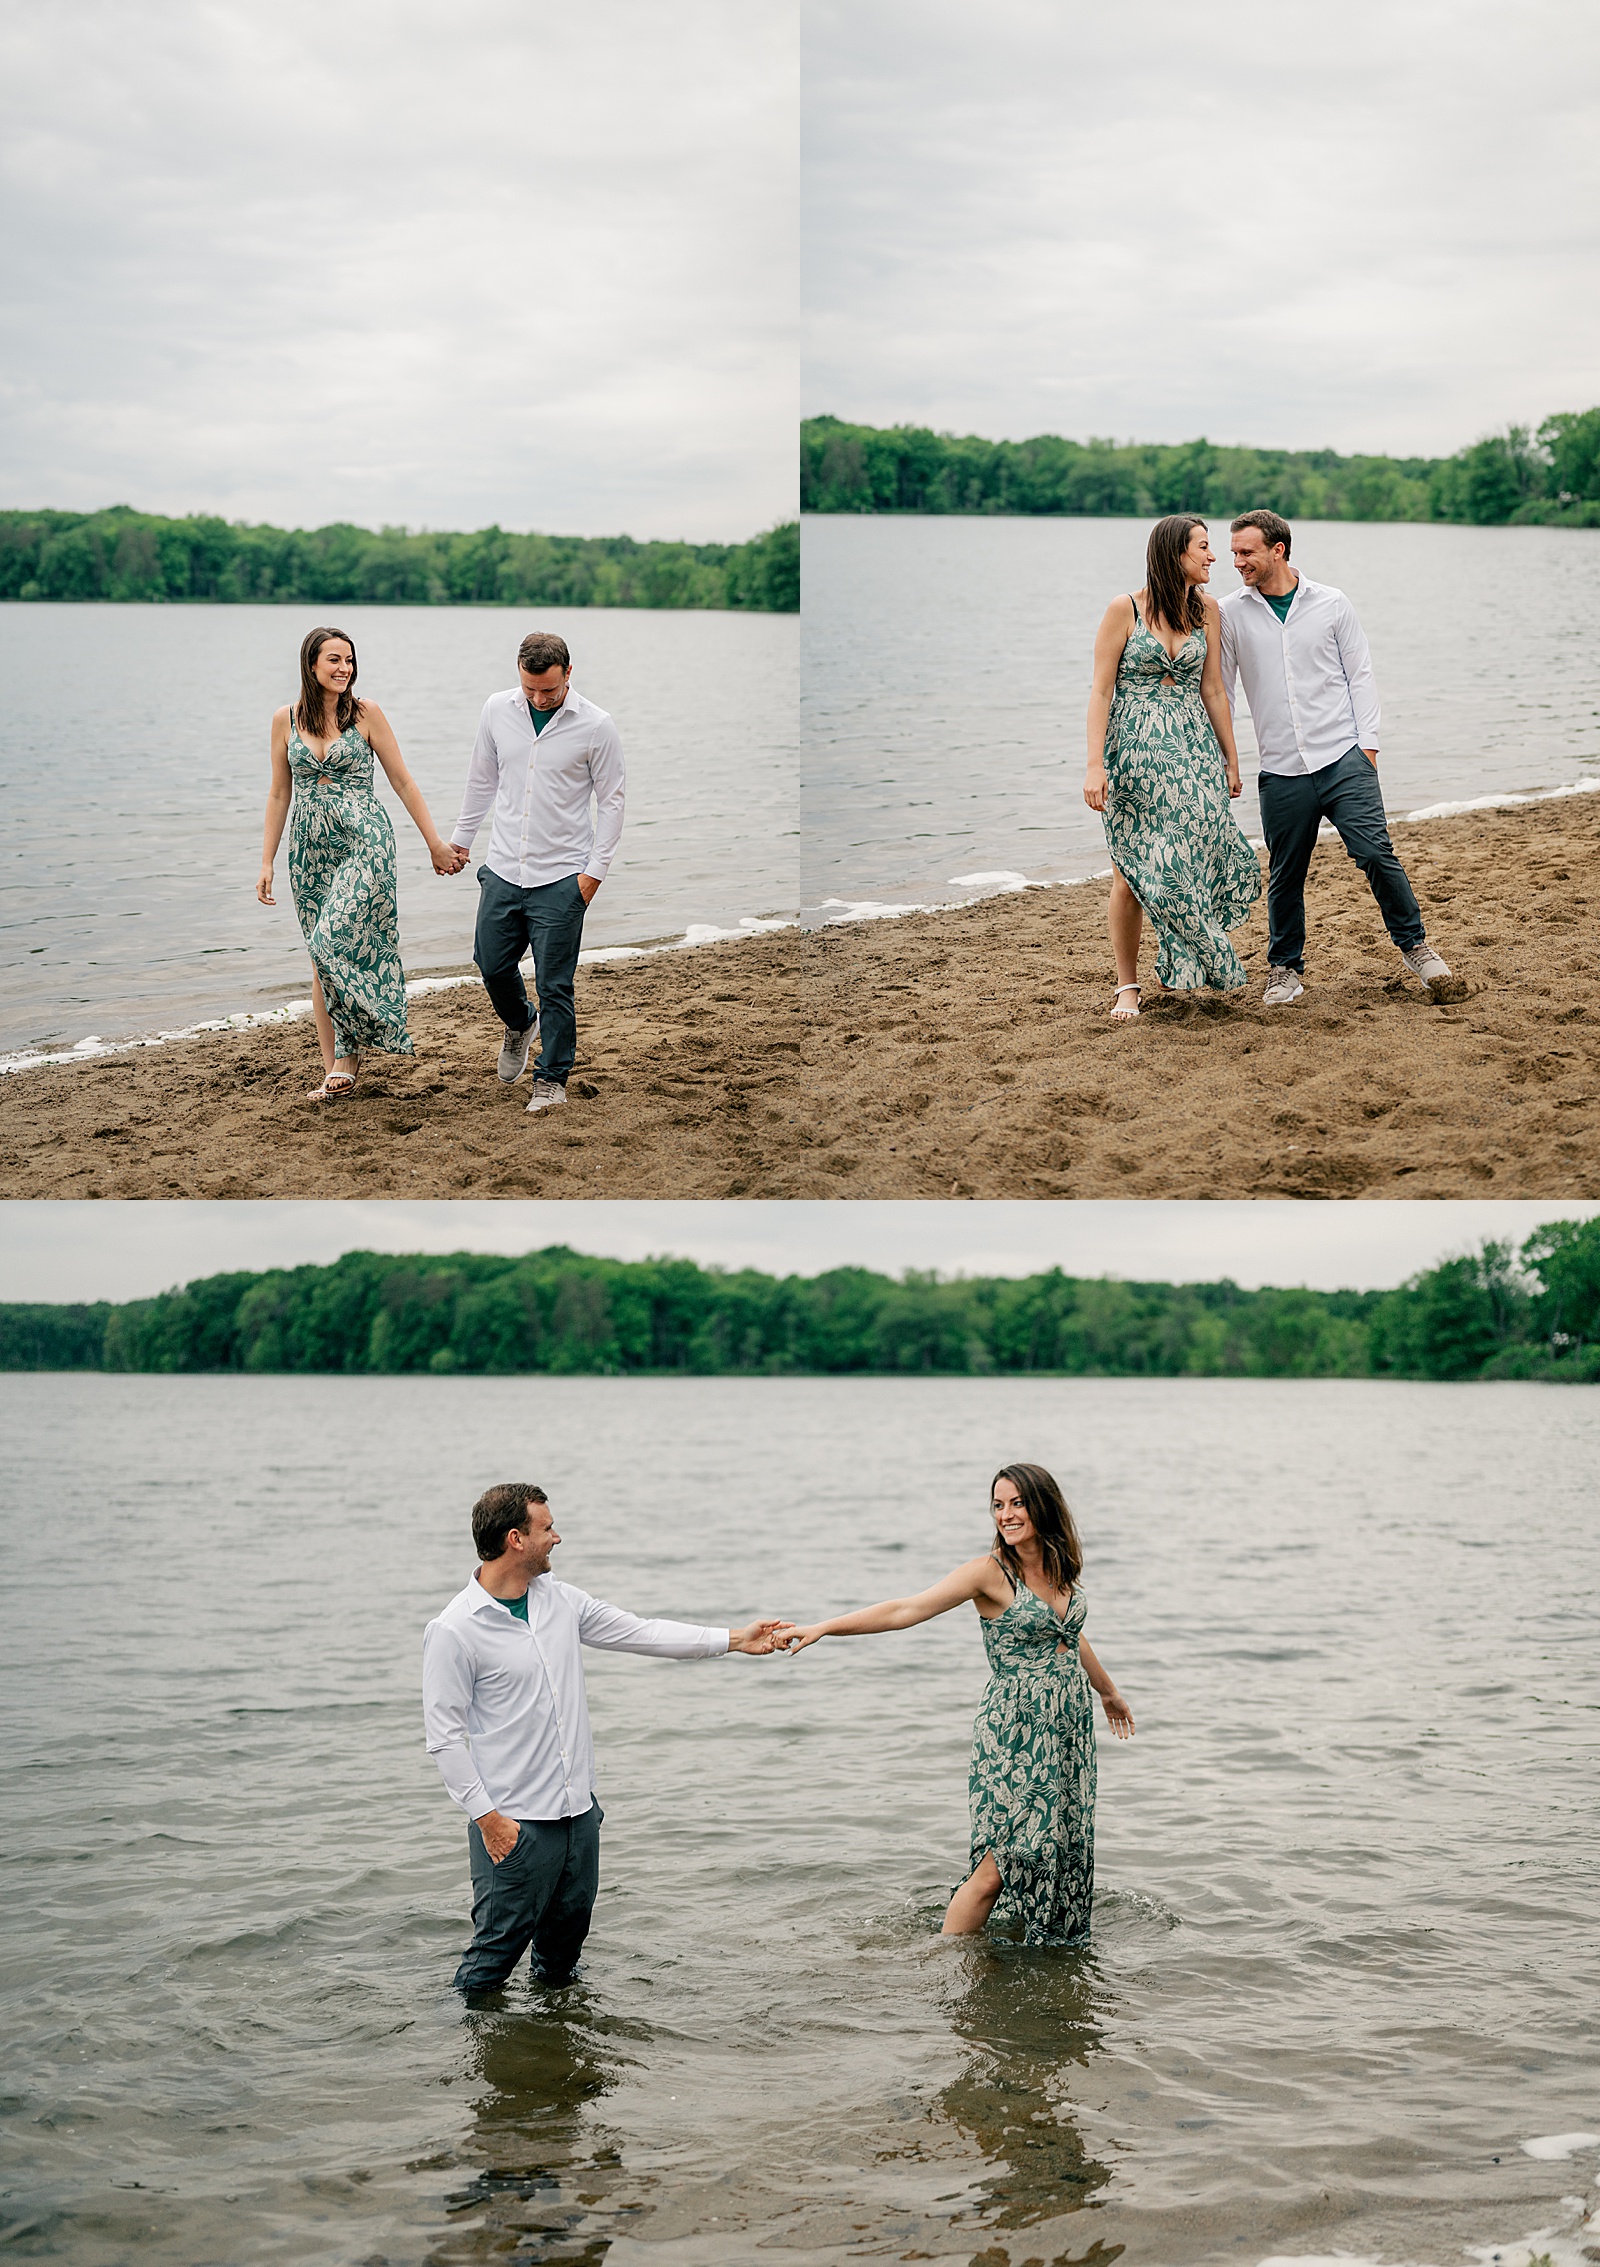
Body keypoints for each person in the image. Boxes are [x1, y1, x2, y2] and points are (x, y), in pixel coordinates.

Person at [422, 1482, 790, 1994]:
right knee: (491, 1964)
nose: (557, 1538)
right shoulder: (454, 1629)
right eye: (546, 1528)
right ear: (515, 1539)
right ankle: (464, 2063)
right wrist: (489, 1821)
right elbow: (444, 1740)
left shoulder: (561, 1601)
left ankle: (558, 2054)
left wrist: (733, 1640)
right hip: (514, 1825)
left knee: (562, 1961)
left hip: (578, 1817)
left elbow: (643, 1633)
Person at [782, 1463, 1134, 1945]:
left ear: (1043, 1505)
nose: (1006, 1515)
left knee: (1054, 1848)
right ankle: (945, 1962)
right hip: (1015, 1731)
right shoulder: (989, 1572)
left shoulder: (1057, 1565)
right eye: (997, 1505)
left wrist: (1107, 1692)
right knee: (998, 1866)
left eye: (1016, 1503)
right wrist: (824, 1626)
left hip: (1066, 1727)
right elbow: (905, 1610)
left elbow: (1068, 1636)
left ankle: (1032, 1953)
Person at [1220, 511, 1452, 1005]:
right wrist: (1225, 757)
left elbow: (1360, 675)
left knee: (1374, 852)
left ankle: (1415, 946)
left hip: (1343, 756)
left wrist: (1367, 746)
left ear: (1278, 549)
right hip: (1281, 768)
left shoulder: (1331, 603)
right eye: (1233, 552)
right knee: (1285, 872)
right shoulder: (1229, 613)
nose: (1236, 561)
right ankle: (1285, 969)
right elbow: (1221, 689)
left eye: (1246, 552)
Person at [258, 626, 459, 1101]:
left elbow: (403, 781)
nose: (344, 668)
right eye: (334, 659)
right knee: (319, 958)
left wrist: (435, 843)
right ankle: (333, 1068)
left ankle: (351, 1052)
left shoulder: (367, 714)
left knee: (332, 941)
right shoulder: (284, 720)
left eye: (349, 659)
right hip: (308, 850)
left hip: (364, 840)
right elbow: (278, 792)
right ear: (311, 665)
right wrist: (265, 860)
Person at [1083, 516, 1261, 1021]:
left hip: (1193, 753)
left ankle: (1186, 955)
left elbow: (1214, 690)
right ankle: (1127, 986)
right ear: (1173, 552)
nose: (1213, 558)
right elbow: (1100, 690)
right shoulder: (1126, 608)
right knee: (1131, 871)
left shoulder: (1206, 609)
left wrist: (1231, 757)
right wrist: (1094, 765)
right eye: (1204, 548)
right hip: (1134, 755)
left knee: (1194, 853)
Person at [446, 632, 626, 1116]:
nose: (538, 698)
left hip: (563, 875)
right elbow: (481, 779)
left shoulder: (597, 726)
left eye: (548, 690)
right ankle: (521, 1023)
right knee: (490, 962)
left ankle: (551, 1078)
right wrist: (461, 840)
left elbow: (611, 802)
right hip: (503, 867)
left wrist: (594, 874)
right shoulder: (496, 710)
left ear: (569, 673)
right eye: (529, 689)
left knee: (555, 984)